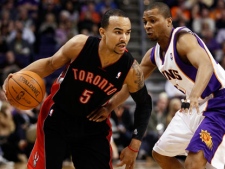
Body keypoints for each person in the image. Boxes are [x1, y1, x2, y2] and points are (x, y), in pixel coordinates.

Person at [2, 9, 152, 169]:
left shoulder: (131, 69)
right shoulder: (80, 45)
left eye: (128, 33)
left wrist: (133, 142)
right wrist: (17, 75)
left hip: (92, 123)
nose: (124, 38)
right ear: (102, 32)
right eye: (118, 32)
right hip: (59, 115)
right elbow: (49, 64)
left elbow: (144, 103)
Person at [89, 2, 225, 169]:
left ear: (168, 21)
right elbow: (130, 85)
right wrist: (108, 107)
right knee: (161, 154)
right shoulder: (153, 55)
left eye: (153, 21)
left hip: (218, 102)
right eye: (145, 21)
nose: (147, 26)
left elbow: (206, 65)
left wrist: (194, 95)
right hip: (194, 106)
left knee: (194, 163)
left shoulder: (183, 40)